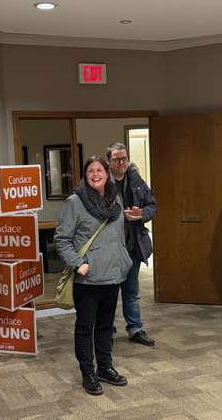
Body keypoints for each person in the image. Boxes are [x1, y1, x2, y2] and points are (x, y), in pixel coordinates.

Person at [54, 156, 133, 395]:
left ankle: (105, 367)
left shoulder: (115, 198)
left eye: (100, 170)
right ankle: (88, 372)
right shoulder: (74, 202)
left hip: (113, 275)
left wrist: (122, 258)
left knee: (106, 326)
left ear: (107, 174)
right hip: (88, 278)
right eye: (91, 170)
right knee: (85, 327)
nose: (96, 174)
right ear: (85, 175)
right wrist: (78, 264)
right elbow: (62, 239)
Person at [106, 142, 157, 346]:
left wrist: (141, 214)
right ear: (109, 161)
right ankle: (106, 330)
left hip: (133, 245)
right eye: (117, 159)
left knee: (131, 290)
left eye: (124, 158)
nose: (122, 163)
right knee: (108, 292)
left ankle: (135, 328)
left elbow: (153, 205)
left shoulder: (136, 180)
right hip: (109, 248)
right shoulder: (101, 183)